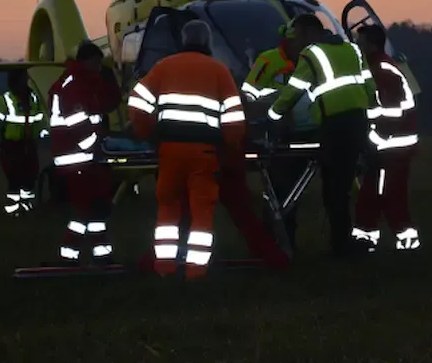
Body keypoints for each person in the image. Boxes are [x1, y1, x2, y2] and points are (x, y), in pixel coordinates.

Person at [127, 20, 246, 279]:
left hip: (169, 151)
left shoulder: (163, 67)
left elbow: (137, 101)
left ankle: (165, 268)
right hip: (204, 153)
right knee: (201, 211)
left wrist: (148, 133)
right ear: (208, 42)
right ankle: (195, 271)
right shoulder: (219, 70)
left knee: (168, 208)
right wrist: (231, 147)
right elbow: (234, 119)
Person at [267, 13, 376, 257]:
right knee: (340, 189)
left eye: (295, 37)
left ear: (306, 33)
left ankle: (334, 248)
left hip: (335, 125)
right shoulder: (352, 50)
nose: (293, 44)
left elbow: (294, 90)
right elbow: (369, 86)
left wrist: (272, 116)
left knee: (330, 190)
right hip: (358, 123)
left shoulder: (312, 53)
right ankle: (342, 245)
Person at [48, 40, 121, 266]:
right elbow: (78, 122)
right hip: (79, 158)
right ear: (88, 61)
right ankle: (70, 256)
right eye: (98, 64)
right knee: (85, 212)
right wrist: (97, 145)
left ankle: (100, 256)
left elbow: (107, 103)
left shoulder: (82, 82)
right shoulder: (74, 85)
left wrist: (110, 83)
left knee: (96, 209)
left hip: (83, 158)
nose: (99, 68)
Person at [351, 24, 420, 252]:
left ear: (371, 45)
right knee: (375, 192)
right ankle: (366, 237)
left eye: (360, 43)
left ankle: (403, 238)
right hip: (391, 144)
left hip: (391, 146)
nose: (357, 47)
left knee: (387, 194)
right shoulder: (383, 66)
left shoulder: (381, 70)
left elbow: (391, 112)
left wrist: (374, 138)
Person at [241, 22, 308, 251]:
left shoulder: (309, 62)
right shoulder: (268, 61)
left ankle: (286, 239)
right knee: (277, 190)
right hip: (276, 133)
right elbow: (248, 95)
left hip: (303, 132)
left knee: (294, 191)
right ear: (290, 40)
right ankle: (271, 241)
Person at [0, 69, 47, 214]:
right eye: (22, 80)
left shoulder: (33, 99)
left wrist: (44, 130)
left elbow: (40, 117)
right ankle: (14, 208)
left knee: (31, 175)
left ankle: (26, 205)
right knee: (14, 176)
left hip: (29, 144)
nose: (25, 83)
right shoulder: (5, 100)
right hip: (12, 145)